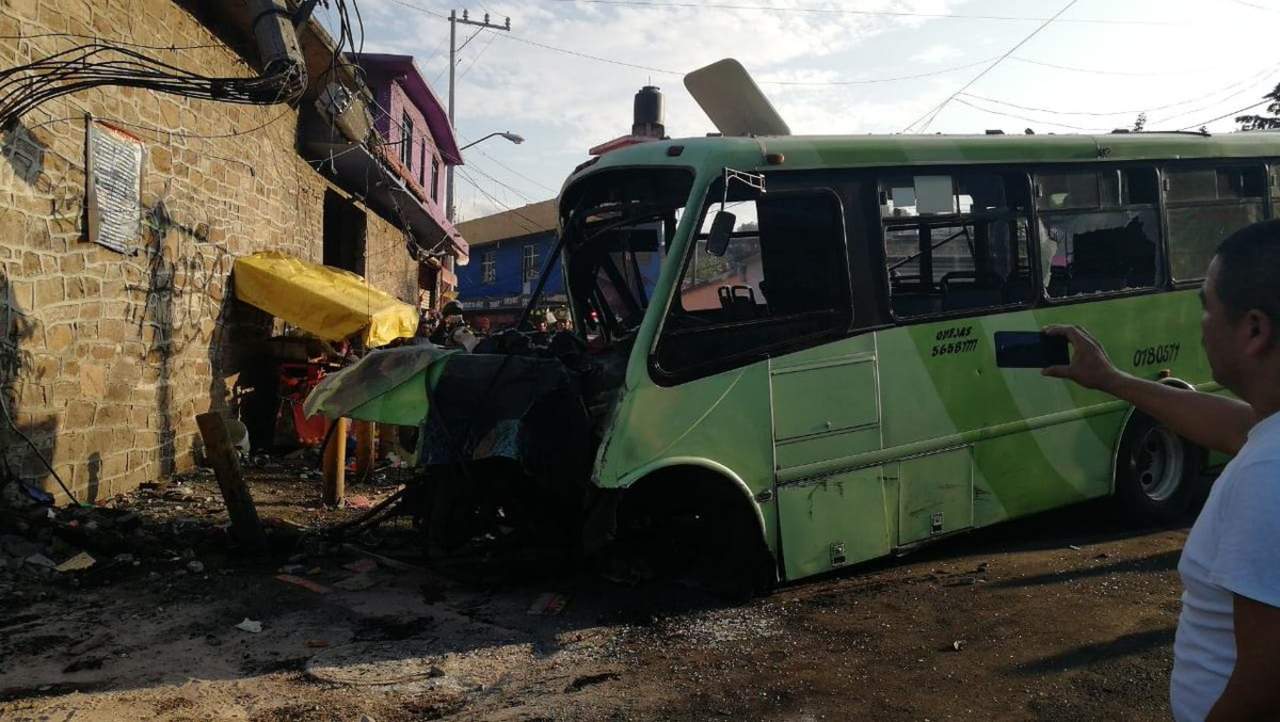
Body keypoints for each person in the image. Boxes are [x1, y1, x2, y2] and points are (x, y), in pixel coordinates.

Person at [1043, 219, 1280, 722]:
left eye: (1207, 307)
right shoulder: (1269, 440)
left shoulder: (1268, 475)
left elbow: (1265, 686)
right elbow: (1239, 427)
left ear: (1255, 330)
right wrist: (1111, 380)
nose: (1201, 324)